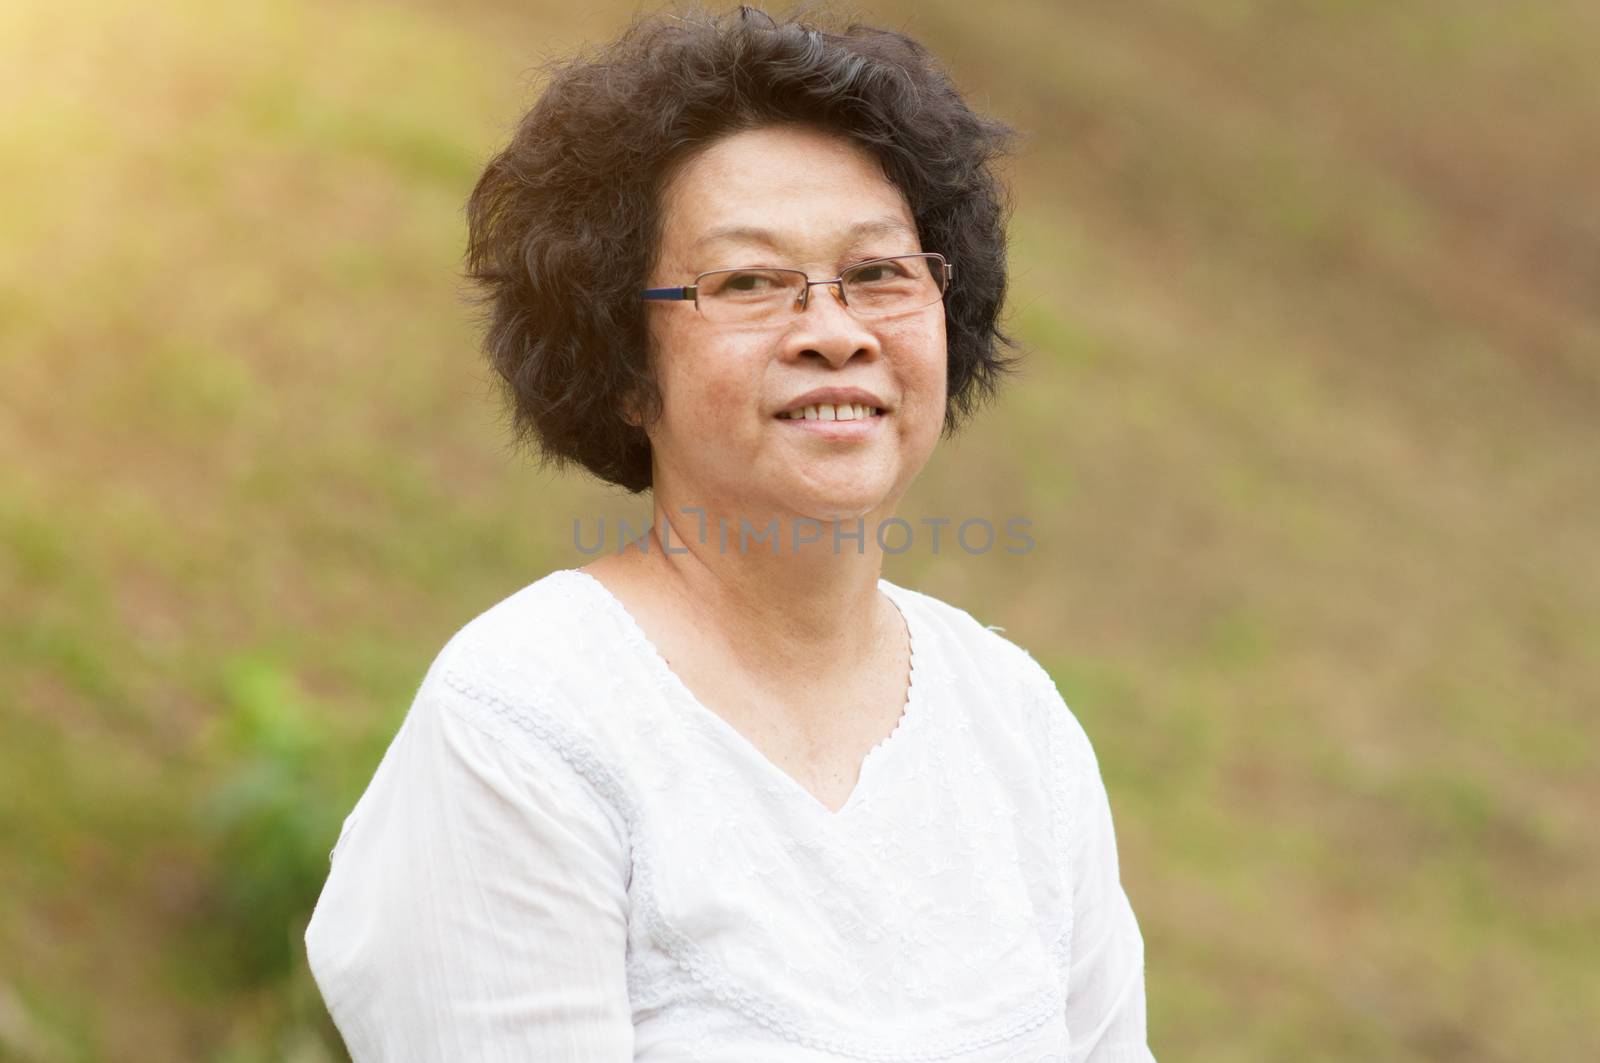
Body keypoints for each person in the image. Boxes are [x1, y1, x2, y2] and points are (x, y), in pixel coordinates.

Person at [303, 5, 1155, 1060]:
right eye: (748, 282)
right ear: (620, 363)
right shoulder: (524, 723)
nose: (835, 332)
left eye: (880, 273)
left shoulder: (1014, 722)